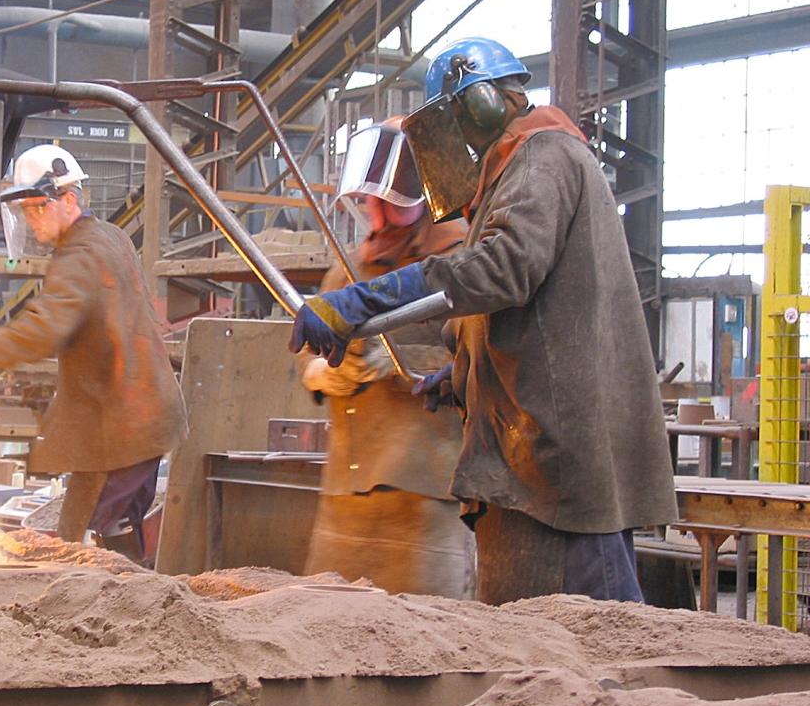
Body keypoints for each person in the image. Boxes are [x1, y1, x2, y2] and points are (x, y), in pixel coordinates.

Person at [288, 37, 678, 604]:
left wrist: (366, 303)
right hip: (532, 457)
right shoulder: (515, 172)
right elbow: (519, 308)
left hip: (561, 460)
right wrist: (461, 374)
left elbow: (503, 268)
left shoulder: (544, 157)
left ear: (478, 106)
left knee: (590, 640)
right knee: (536, 645)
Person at [0, 144, 186, 561]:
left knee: (102, 529)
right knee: (82, 530)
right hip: (124, 419)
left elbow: (44, 329)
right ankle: (125, 599)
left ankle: (128, 604)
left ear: (68, 199)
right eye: (26, 212)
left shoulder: (79, 256)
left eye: (38, 208)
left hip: (126, 422)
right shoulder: (110, 236)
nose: (32, 221)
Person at [299, 119, 473, 596]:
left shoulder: (464, 262)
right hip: (345, 492)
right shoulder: (350, 266)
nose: (374, 211)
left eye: (390, 201)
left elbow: (481, 352)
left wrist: (393, 360)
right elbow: (305, 352)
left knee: (420, 641)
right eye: (368, 200)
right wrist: (323, 375)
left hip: (424, 494)